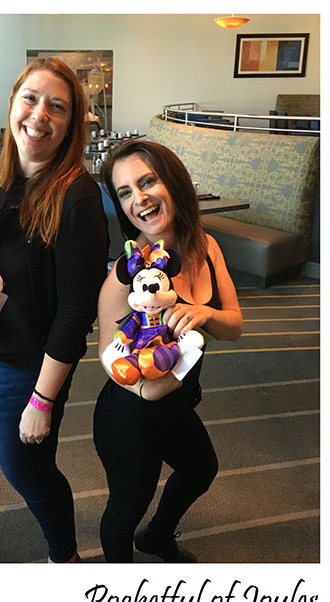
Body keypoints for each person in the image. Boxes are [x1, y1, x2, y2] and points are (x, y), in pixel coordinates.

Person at [0, 57, 108, 563]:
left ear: (70, 124)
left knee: (27, 472)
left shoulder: (77, 196)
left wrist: (43, 400)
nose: (39, 114)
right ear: (13, 104)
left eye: (57, 107)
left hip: (24, 364)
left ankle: (63, 557)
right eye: (30, 98)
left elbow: (76, 311)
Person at [93, 140, 242, 563]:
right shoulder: (127, 277)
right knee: (126, 509)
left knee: (201, 470)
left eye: (147, 182)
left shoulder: (206, 247)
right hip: (131, 415)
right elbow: (114, 362)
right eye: (125, 192)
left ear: (173, 182)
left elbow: (233, 326)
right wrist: (171, 371)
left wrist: (203, 314)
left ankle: (157, 537)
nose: (138, 199)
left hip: (178, 405)